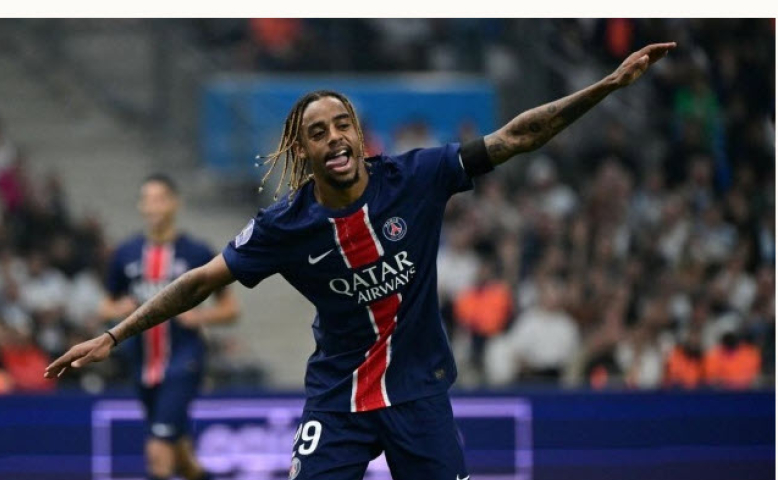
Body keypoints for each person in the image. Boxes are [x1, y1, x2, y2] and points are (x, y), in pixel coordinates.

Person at [46, 42, 676, 479]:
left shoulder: (417, 176)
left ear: (358, 132)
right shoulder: (285, 224)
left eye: (341, 124)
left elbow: (516, 136)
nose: (334, 138)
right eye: (318, 132)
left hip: (418, 392)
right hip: (337, 399)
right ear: (303, 151)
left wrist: (606, 86)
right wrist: (114, 335)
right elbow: (199, 282)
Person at [98, 174, 239, 480]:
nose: (153, 207)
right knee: (183, 458)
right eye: (147, 200)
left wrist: (199, 318)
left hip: (183, 361)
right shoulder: (126, 253)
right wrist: (119, 309)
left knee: (158, 452)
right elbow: (104, 306)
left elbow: (230, 309)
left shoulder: (196, 252)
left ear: (175, 203)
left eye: (160, 199)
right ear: (140, 206)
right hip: (142, 362)